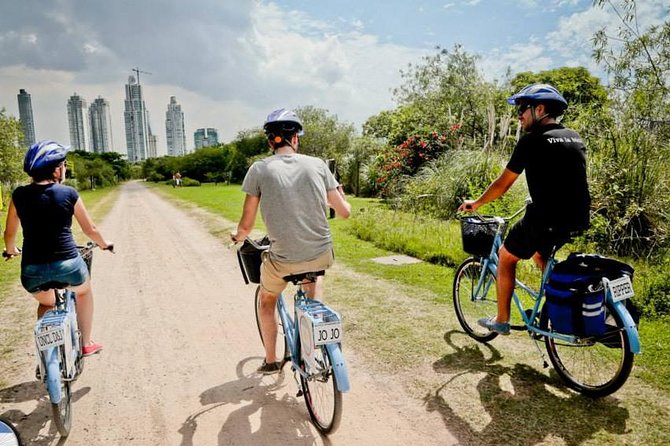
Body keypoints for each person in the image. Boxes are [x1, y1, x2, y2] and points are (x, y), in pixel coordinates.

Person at [458, 84, 591, 335]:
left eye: (523, 109)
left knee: (506, 256)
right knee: (541, 255)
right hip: (577, 217)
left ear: (539, 109)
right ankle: (557, 304)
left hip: (546, 217)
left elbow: (503, 184)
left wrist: (476, 203)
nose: (519, 115)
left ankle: (501, 319)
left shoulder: (532, 141)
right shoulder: (574, 136)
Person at [231, 109, 351, 374]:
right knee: (314, 277)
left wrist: (237, 236)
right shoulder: (319, 165)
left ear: (269, 141)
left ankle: (272, 360)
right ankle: (315, 324)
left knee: (267, 299)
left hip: (283, 259)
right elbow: (344, 212)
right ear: (295, 138)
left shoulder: (259, 169)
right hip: (321, 254)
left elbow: (246, 226)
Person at [3, 140, 113, 357]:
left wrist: (11, 250)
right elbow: (89, 229)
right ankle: (86, 343)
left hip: (33, 270)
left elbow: (9, 234)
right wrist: (104, 244)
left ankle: (47, 353)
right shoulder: (68, 193)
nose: (64, 167)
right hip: (68, 265)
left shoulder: (19, 195)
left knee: (46, 304)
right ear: (56, 168)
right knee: (84, 292)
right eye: (63, 164)